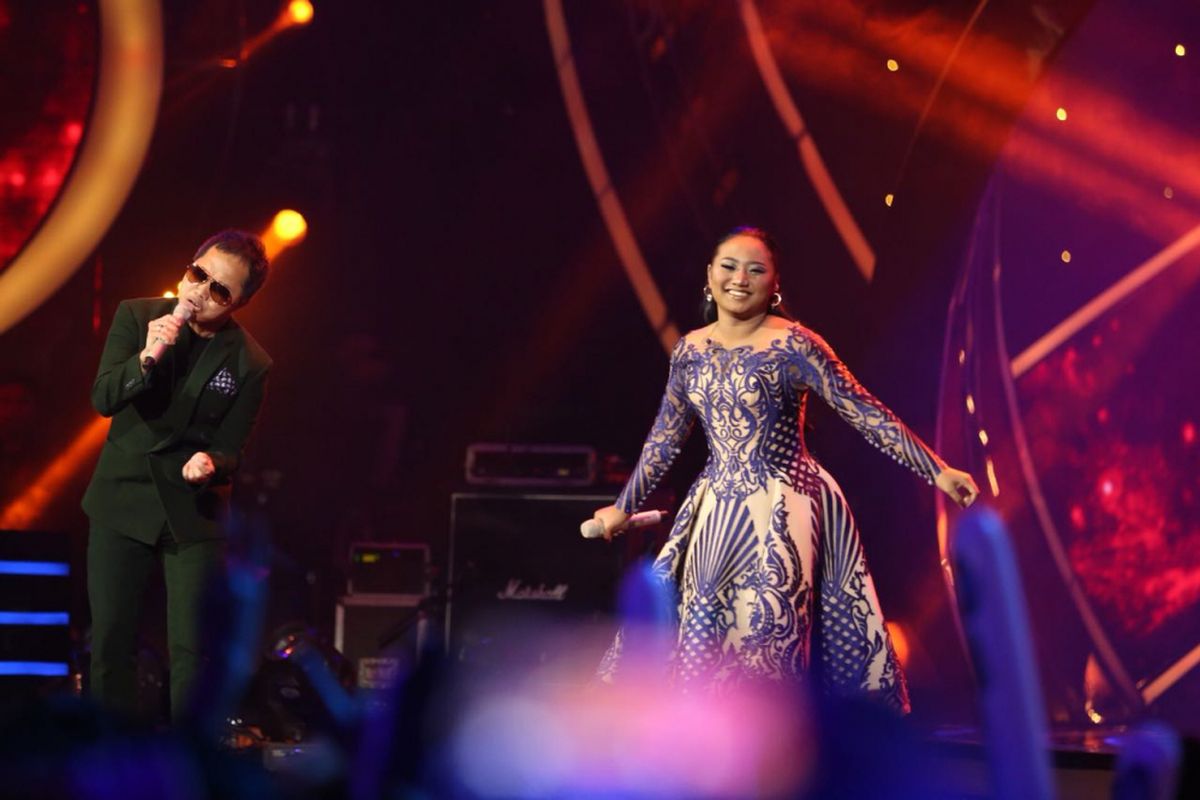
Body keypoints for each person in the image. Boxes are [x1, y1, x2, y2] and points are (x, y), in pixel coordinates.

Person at [589, 226, 979, 711]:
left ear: (774, 285)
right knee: (700, 640)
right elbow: (665, 437)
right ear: (709, 277)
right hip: (714, 510)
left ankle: (775, 764)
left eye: (756, 269)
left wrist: (937, 470)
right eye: (729, 266)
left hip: (784, 506)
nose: (740, 278)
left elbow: (863, 410)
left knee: (766, 650)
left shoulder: (797, 345)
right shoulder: (689, 351)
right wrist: (622, 508)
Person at [82, 229, 272, 721]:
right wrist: (146, 356)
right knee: (110, 641)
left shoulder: (250, 362)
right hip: (122, 498)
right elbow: (103, 399)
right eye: (198, 274)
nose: (200, 293)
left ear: (240, 303)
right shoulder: (136, 315)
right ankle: (107, 763)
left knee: (191, 649)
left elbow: (231, 447)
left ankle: (187, 766)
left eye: (219, 290)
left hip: (191, 514)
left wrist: (212, 462)